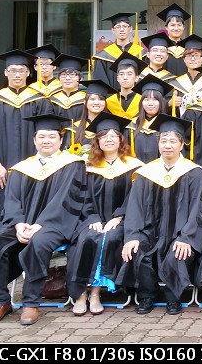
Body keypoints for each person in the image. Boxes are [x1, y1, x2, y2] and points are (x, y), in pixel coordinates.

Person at [0, 114, 89, 325]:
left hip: (55, 225)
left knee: (38, 244)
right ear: (34, 140)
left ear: (61, 140)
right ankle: (0, 301)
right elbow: (11, 200)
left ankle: (31, 303)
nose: (47, 141)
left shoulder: (72, 165)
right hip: (21, 224)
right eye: (42, 137)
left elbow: (65, 199)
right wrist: (19, 223)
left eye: (52, 137)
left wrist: (39, 225)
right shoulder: (21, 168)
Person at [119, 114, 202, 315]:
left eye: (172, 141)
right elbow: (134, 207)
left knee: (177, 253)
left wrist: (187, 237)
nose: (167, 145)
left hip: (181, 233)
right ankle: (147, 296)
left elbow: (201, 209)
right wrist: (132, 236)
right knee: (138, 251)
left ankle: (174, 297)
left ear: (182, 145)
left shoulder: (194, 173)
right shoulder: (146, 173)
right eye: (163, 141)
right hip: (150, 232)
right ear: (158, 143)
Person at [66, 112, 143, 316]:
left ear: (120, 139)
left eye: (113, 135)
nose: (108, 139)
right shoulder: (87, 167)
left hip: (121, 221)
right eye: (103, 136)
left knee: (109, 239)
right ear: (97, 141)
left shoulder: (134, 166)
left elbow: (135, 198)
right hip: (90, 219)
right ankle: (80, 293)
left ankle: (95, 293)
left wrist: (119, 217)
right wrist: (92, 218)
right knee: (85, 239)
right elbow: (81, 196)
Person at [0, 50, 54, 235]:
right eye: (13, 70)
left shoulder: (40, 101)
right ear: (6, 72)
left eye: (21, 70)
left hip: (34, 166)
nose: (17, 74)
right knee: (0, 208)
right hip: (1, 166)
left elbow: (48, 134)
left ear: (28, 73)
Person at [92, 12, 146, 90]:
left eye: (125, 26)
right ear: (113, 30)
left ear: (130, 29)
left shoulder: (141, 53)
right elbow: (100, 82)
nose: (121, 29)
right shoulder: (103, 56)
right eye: (118, 27)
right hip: (111, 97)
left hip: (137, 96)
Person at [127, 74, 173, 164]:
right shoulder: (131, 126)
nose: (150, 103)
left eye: (155, 99)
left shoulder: (168, 126)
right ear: (141, 102)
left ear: (161, 102)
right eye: (146, 99)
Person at [62, 80, 115, 150]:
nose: (97, 103)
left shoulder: (112, 129)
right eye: (92, 99)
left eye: (101, 99)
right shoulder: (73, 130)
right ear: (85, 102)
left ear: (105, 103)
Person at [168, 34, 202, 116]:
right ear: (184, 60)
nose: (192, 59)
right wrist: (170, 103)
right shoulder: (175, 84)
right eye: (188, 56)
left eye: (196, 55)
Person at [105, 52, 147, 119]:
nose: (125, 77)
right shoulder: (109, 102)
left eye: (129, 74)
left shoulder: (143, 101)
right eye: (121, 74)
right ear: (117, 78)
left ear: (136, 78)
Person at [49, 54, 88, 121]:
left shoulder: (86, 100)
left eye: (72, 74)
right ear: (59, 79)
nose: (67, 78)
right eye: (63, 75)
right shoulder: (52, 100)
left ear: (80, 78)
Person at [156, 3, 191, 76]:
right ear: (166, 27)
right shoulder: (160, 47)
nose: (176, 28)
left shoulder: (188, 47)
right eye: (172, 25)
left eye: (179, 25)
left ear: (183, 27)